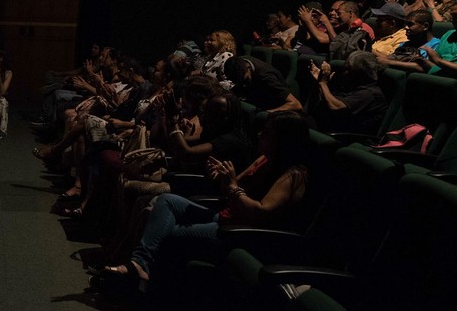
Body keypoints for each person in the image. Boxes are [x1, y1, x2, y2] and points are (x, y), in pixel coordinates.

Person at [101, 111, 310, 293]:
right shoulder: (264, 159)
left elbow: (260, 213)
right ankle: (139, 264)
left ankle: (144, 284)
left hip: (241, 230)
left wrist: (232, 186)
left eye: (267, 133)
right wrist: (222, 178)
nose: (260, 135)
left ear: (283, 140)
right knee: (166, 201)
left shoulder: (293, 175)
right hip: (228, 215)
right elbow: (231, 189)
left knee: (169, 234)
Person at [307, 51, 388, 135]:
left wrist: (323, 83)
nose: (345, 73)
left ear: (361, 73)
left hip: (345, 135)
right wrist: (321, 82)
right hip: (326, 124)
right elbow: (325, 102)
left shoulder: (370, 94)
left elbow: (335, 107)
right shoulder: (353, 85)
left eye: (349, 70)